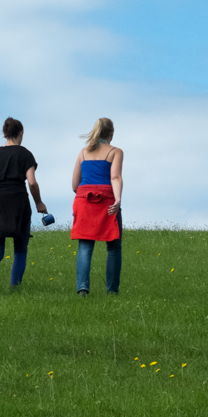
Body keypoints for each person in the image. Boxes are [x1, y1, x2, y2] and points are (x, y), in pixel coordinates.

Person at [0, 117, 47, 291]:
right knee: (20, 250)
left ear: (4, 133)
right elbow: (31, 182)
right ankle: (15, 288)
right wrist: (39, 203)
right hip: (18, 202)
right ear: (21, 133)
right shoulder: (25, 154)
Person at [71, 118, 123, 295]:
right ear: (111, 133)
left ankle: (82, 289)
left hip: (83, 199)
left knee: (85, 245)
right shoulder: (115, 152)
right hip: (107, 198)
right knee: (114, 247)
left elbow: (74, 185)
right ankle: (112, 291)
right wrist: (117, 200)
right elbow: (115, 177)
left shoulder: (83, 152)